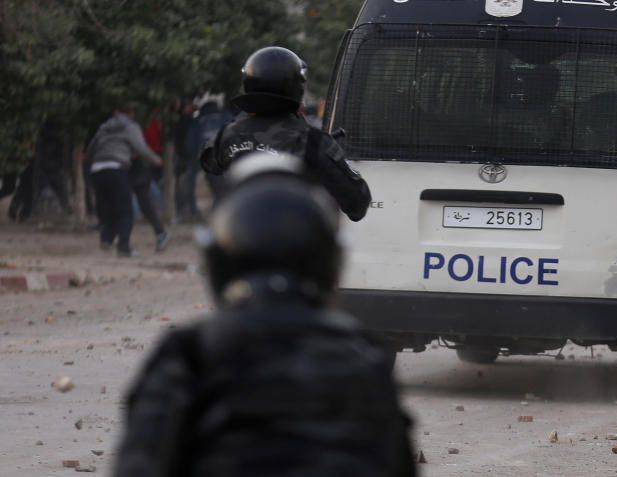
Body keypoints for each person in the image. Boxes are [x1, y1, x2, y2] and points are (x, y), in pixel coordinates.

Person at [113, 154, 414, 477]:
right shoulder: (363, 355)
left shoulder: (188, 354)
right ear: (329, 260)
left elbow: (140, 462)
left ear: (218, 261)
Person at [201, 46, 370, 221]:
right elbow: (357, 203)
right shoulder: (313, 141)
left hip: (237, 235)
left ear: (248, 83)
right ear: (297, 87)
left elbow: (210, 164)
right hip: (292, 238)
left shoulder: (227, 134)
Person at [85, 107, 162, 257]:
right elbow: (141, 148)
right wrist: (156, 160)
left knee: (109, 207)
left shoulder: (103, 127)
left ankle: (106, 239)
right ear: (131, 114)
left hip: (97, 170)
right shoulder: (131, 127)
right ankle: (123, 247)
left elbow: (90, 149)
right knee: (125, 210)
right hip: (116, 168)